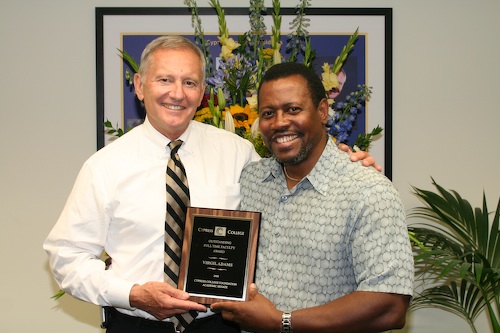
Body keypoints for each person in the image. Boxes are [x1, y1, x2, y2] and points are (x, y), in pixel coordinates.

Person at [44, 36, 379, 333]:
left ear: (203, 92)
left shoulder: (237, 153)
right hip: (136, 325)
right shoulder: (104, 167)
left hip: (219, 324)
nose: (177, 93)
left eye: (190, 82)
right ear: (139, 85)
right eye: (165, 80)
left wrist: (344, 165)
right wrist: (132, 294)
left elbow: (290, 190)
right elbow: (67, 257)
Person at [211, 62, 414, 333]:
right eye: (269, 113)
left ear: (322, 111)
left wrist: (281, 322)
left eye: (293, 109)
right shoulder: (250, 180)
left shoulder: (368, 191)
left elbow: (390, 306)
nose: (280, 123)